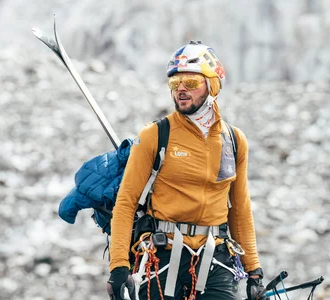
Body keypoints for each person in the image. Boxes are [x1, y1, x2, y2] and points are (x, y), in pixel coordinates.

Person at [106, 41, 267, 300]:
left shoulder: (235, 140)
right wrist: (119, 267)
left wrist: (254, 270)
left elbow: (240, 208)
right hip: (163, 255)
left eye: (190, 83)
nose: (180, 89)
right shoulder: (155, 136)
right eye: (174, 83)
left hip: (217, 258)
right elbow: (125, 203)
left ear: (212, 84)